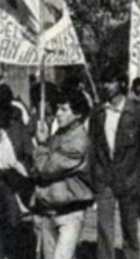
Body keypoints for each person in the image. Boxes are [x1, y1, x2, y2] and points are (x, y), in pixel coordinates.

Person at [89, 65, 140, 259]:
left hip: (130, 177)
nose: (106, 86)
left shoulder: (136, 111)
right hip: (105, 178)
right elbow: (93, 146)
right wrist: (95, 175)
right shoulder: (98, 112)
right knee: (104, 227)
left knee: (129, 226)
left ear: (122, 83)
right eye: (104, 82)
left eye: (111, 81)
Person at [31, 89, 94, 259]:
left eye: (64, 109)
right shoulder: (59, 134)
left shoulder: (78, 141)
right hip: (49, 209)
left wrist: (42, 144)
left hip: (70, 212)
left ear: (78, 114)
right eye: (57, 108)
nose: (58, 114)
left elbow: (46, 168)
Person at [0, 89, 34, 259]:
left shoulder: (17, 128)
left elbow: (29, 154)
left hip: (12, 178)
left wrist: (23, 172)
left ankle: (14, 253)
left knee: (14, 220)